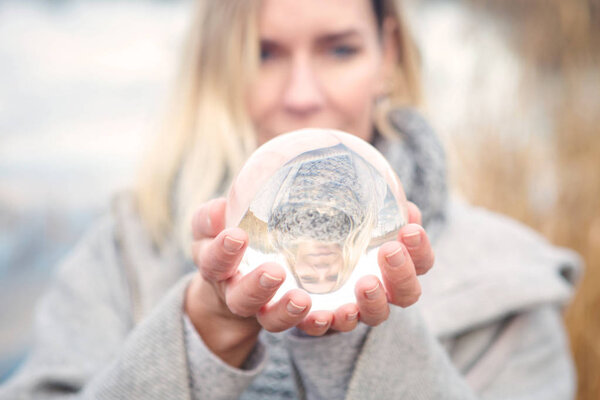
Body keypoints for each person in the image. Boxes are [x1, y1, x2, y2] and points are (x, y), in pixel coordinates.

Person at [0, 0, 581, 399]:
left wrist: (371, 338)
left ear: (389, 54)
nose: (302, 96)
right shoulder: (124, 251)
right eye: (264, 53)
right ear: (218, 66)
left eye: (340, 51)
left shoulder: (515, 284)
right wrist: (199, 332)